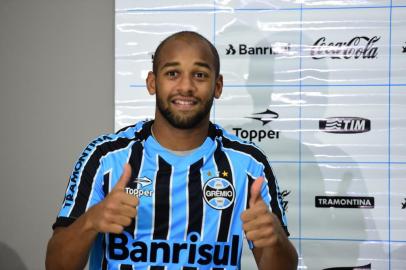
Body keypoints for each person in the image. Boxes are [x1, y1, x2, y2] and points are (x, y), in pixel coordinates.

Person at [46, 31, 298, 270]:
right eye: (172, 73)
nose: (186, 86)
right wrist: (91, 221)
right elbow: (55, 264)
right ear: (152, 82)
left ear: (218, 86)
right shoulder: (106, 157)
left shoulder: (248, 164)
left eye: (199, 75)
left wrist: (273, 237)